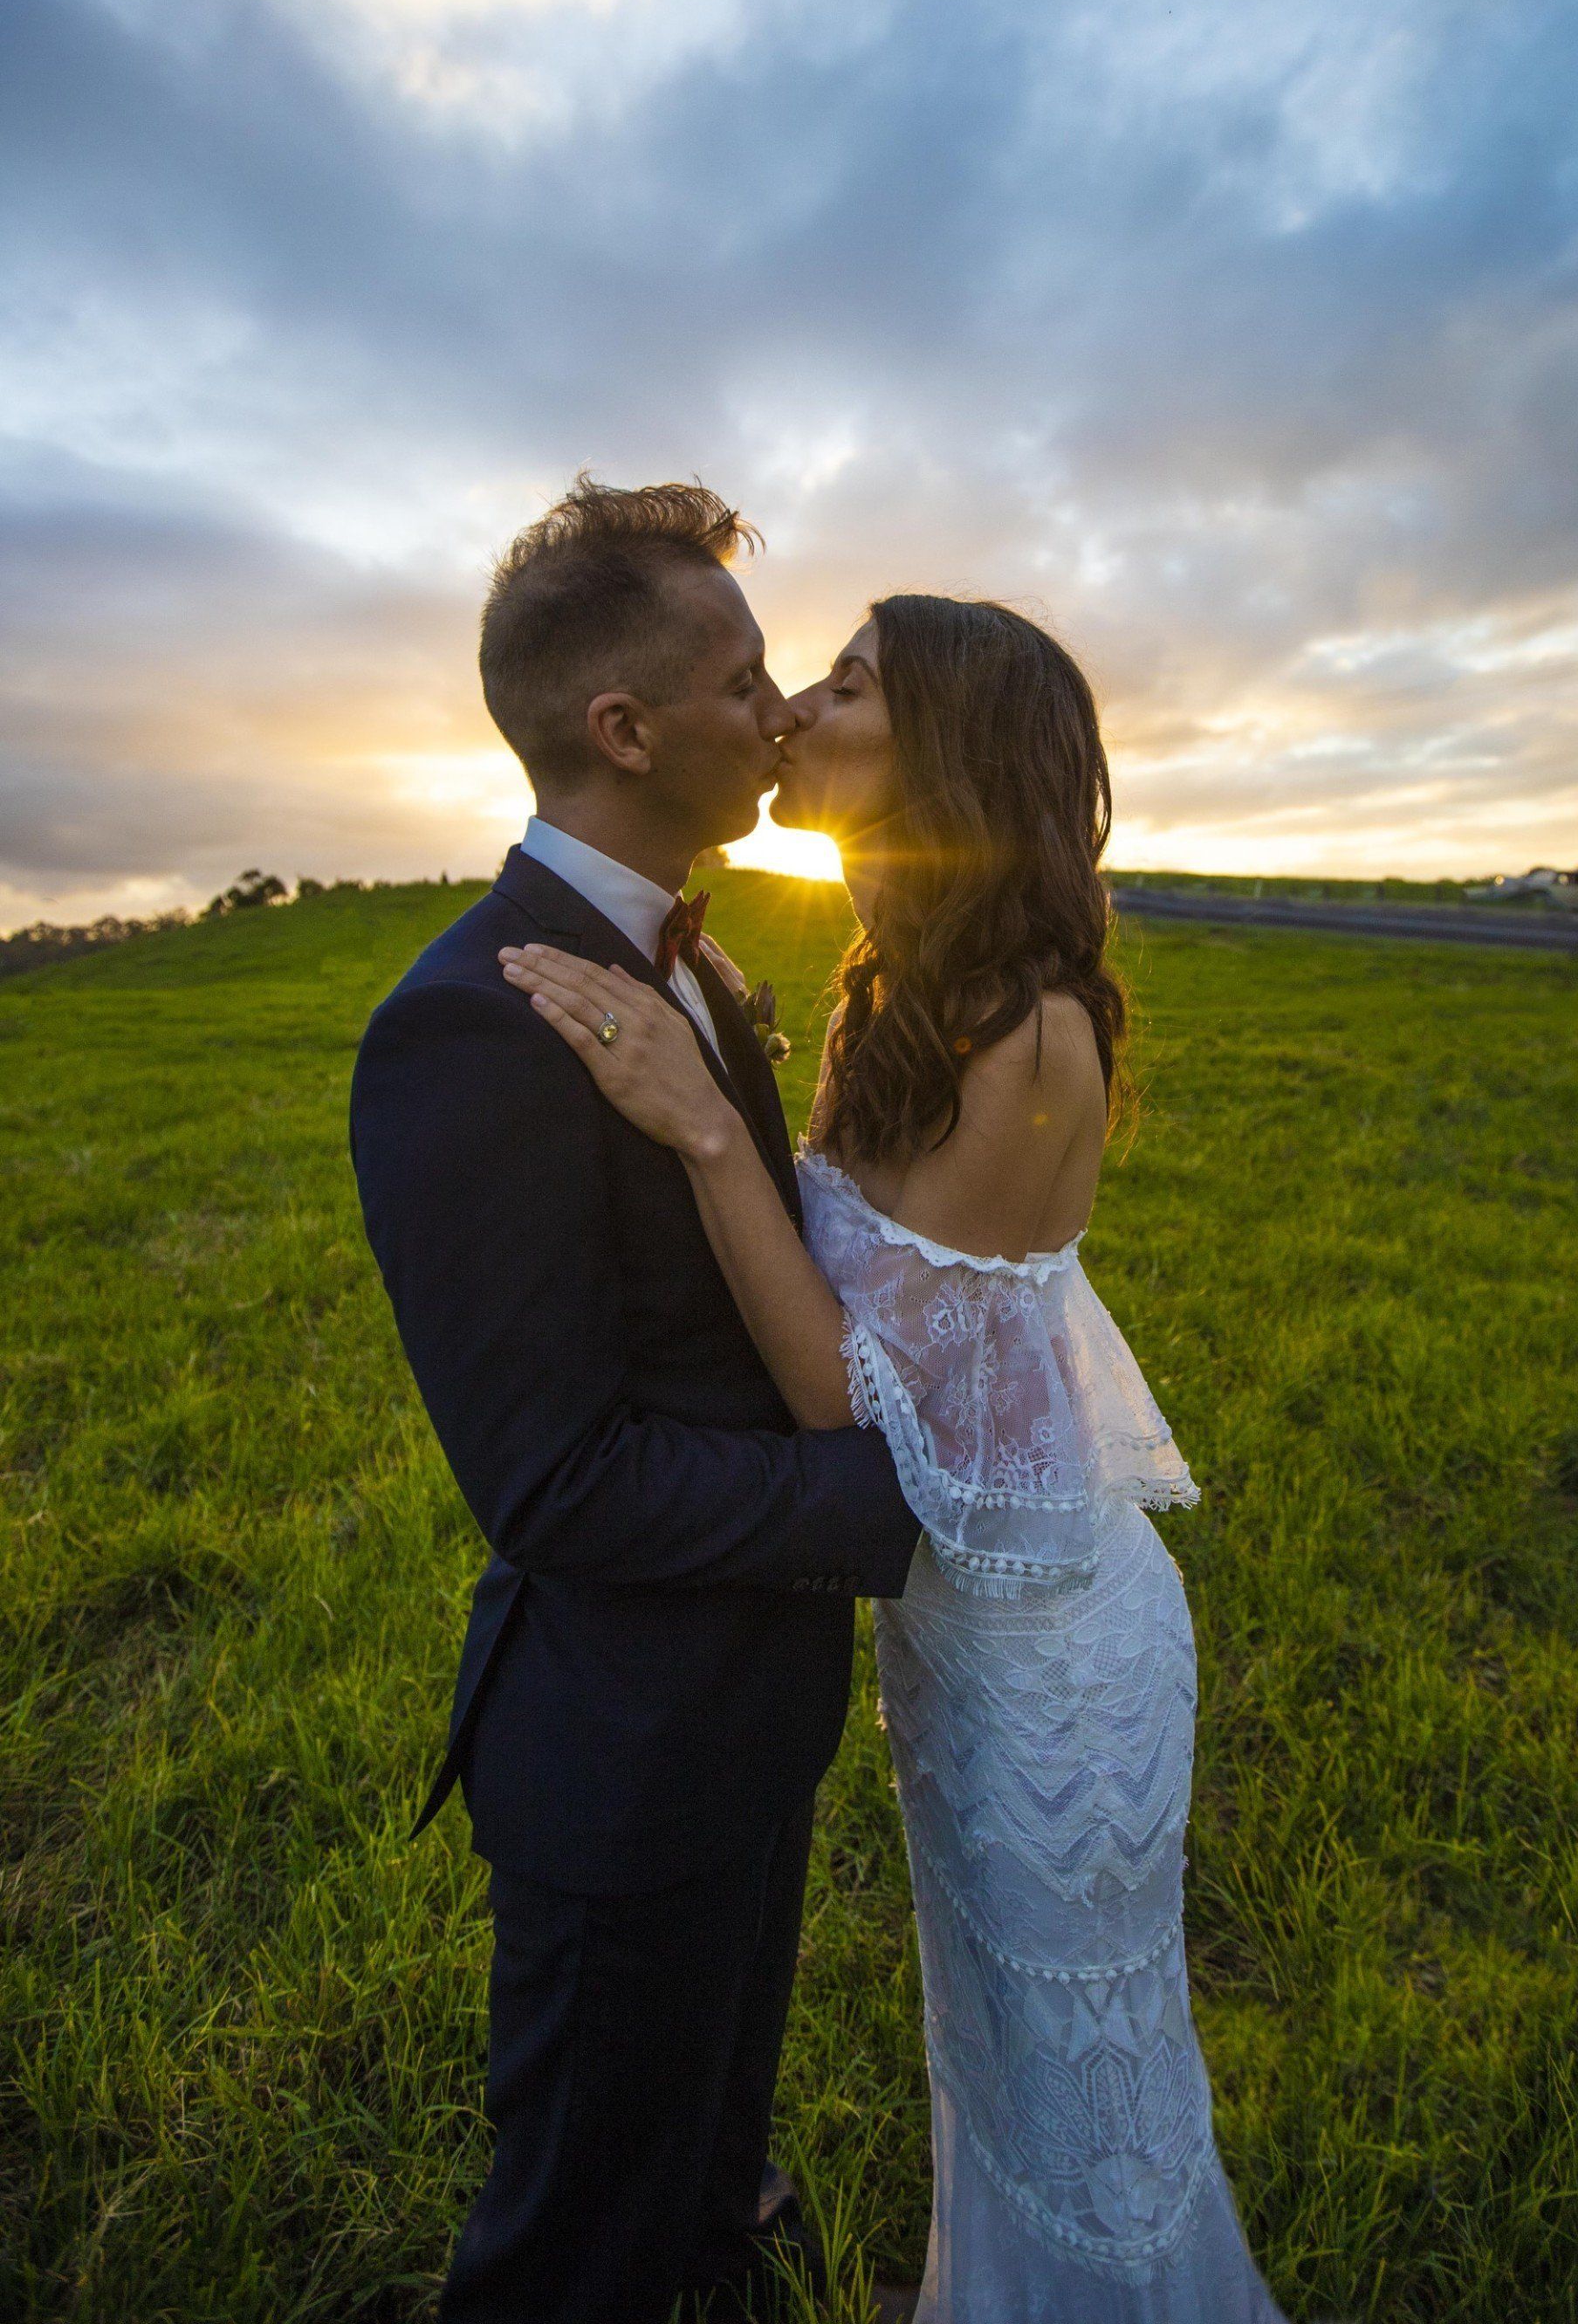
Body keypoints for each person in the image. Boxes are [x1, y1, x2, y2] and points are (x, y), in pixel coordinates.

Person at [501, 594, 1289, 2321]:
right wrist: (733, 1044)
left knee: (1091, 2126)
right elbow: (870, 1250)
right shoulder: (908, 990)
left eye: (844, 686)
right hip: (961, 1643)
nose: (793, 707)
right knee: (997, 2087)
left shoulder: (1030, 1036)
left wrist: (710, 1131)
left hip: (1049, 1670)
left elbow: (864, 1427)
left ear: (934, 754)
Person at [349, 478, 923, 2324]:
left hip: (747, 1725)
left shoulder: (684, 955)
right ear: (624, 727)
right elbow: (554, 1476)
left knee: (699, 2187)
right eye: (744, 675)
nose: (778, 711)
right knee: (572, 2251)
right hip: (620, 1757)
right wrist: (873, 1506)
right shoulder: (469, 1027)